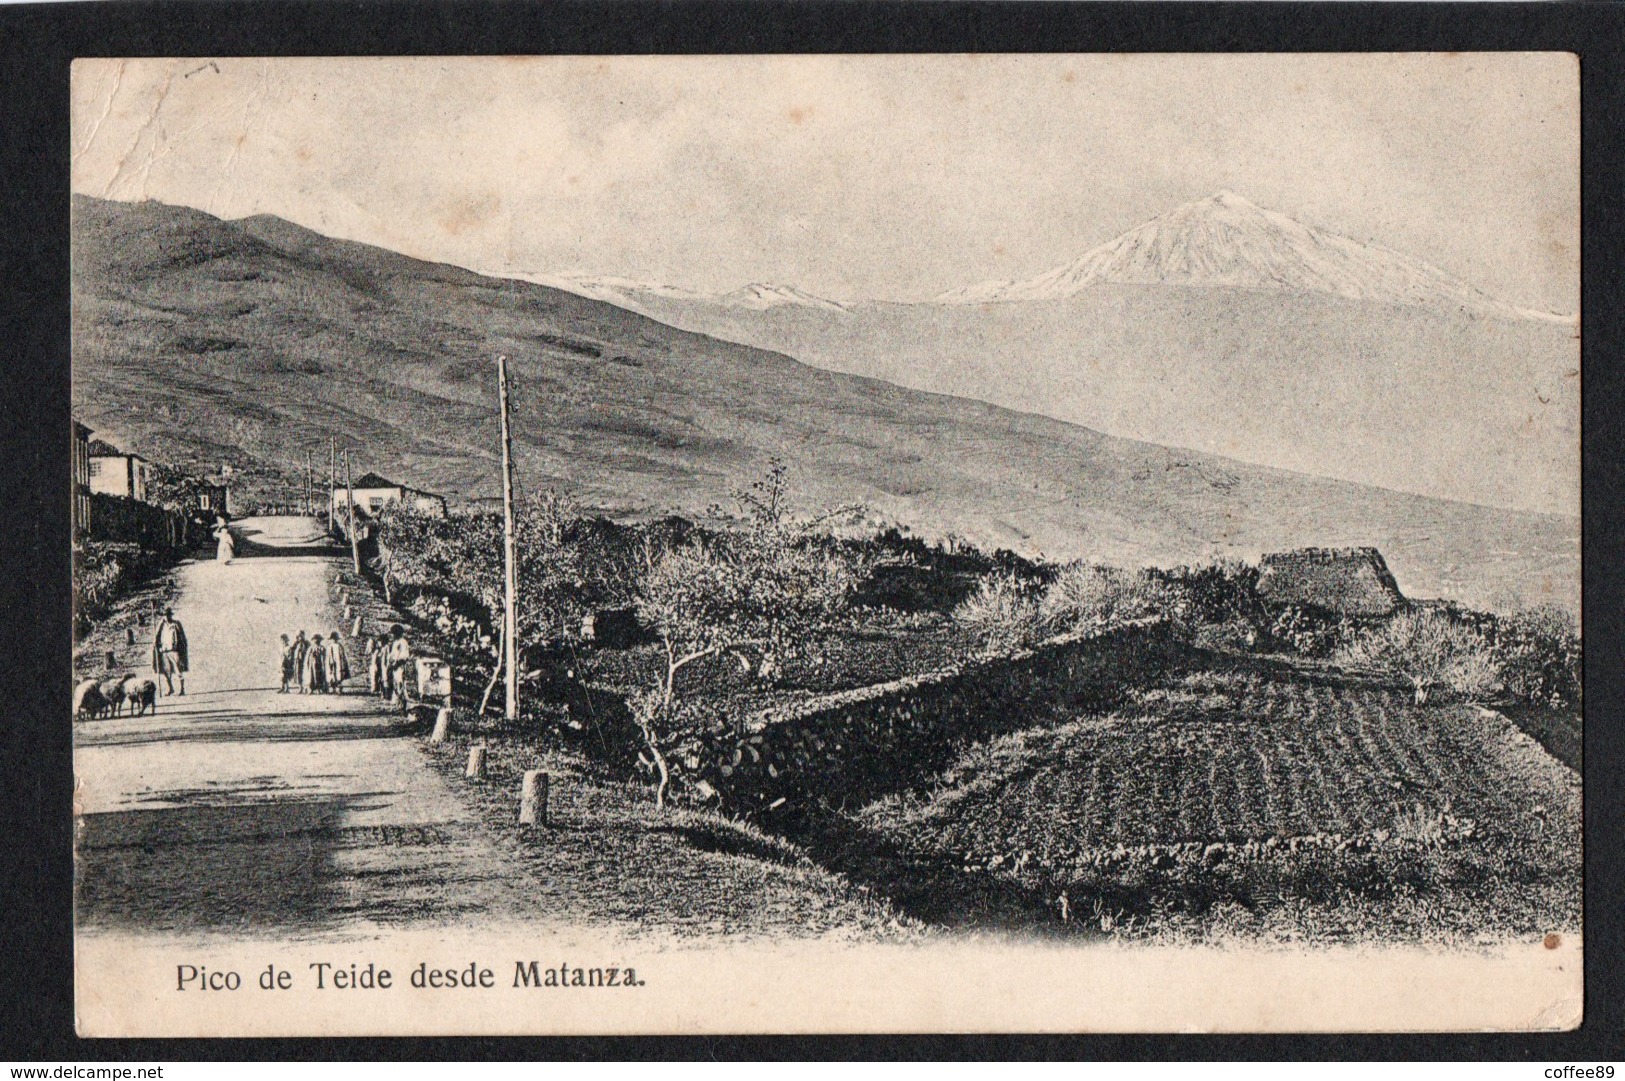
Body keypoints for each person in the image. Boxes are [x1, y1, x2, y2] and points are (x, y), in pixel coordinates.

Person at [151, 608, 188, 696]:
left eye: (168, 615)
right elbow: (156, 637)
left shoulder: (176, 624)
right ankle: (170, 688)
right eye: (165, 615)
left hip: (175, 651)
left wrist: (182, 649)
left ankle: (182, 689)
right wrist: (155, 645)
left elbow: (183, 637)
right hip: (164, 651)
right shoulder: (161, 625)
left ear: (171, 615)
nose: (167, 617)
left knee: (179, 670)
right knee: (166, 672)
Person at [385, 624, 412, 702]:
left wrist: (397, 663)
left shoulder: (403, 642)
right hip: (394, 665)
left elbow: (404, 655)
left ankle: (400, 700)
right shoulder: (395, 642)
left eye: (393, 634)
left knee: (399, 681)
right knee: (394, 682)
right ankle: (395, 698)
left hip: (399, 665)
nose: (392, 636)